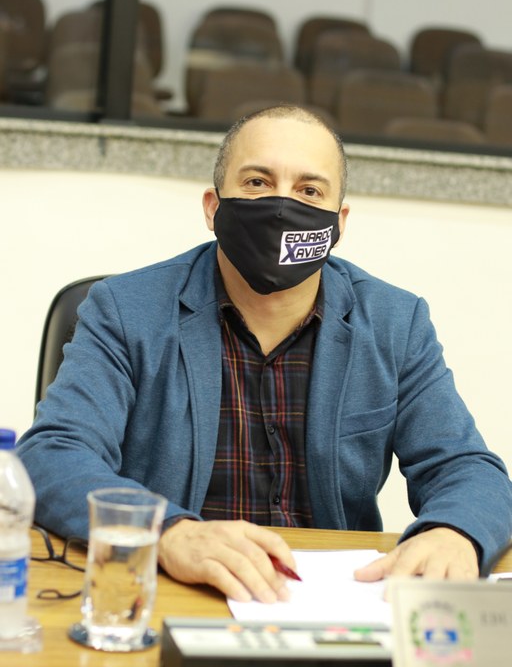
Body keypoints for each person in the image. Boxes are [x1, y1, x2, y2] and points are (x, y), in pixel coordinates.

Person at [17, 105, 512, 605]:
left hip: (332, 601)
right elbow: (53, 453)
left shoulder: (393, 323)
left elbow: (468, 470)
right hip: (178, 590)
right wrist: (169, 533)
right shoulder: (126, 310)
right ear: (213, 207)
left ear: (339, 223)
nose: (281, 206)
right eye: (257, 183)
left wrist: (456, 532)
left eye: (309, 191)